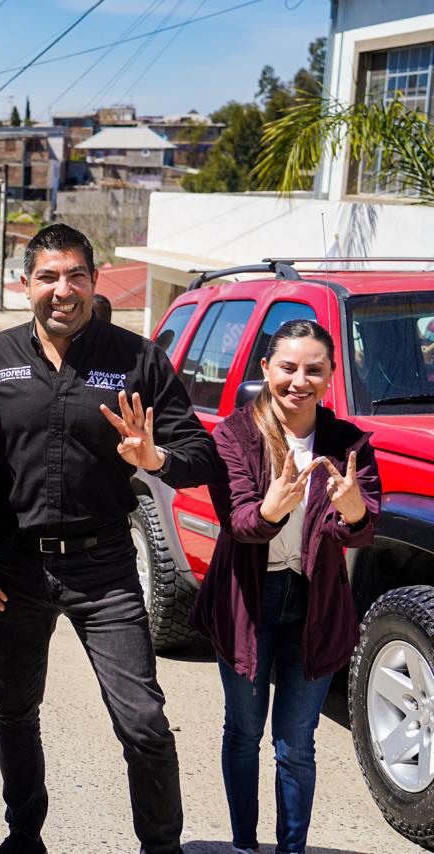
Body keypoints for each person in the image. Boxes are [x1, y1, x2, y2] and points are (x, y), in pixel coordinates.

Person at [0, 223, 216, 854]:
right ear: (25, 286)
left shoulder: (137, 360)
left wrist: (154, 458)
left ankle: (161, 847)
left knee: (145, 722)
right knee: (14, 714)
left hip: (104, 569)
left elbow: (200, 454)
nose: (63, 289)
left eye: (76, 275)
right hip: (16, 565)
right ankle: (24, 836)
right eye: (48, 276)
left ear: (94, 283)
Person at [190, 319, 379, 854]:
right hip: (248, 600)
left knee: (296, 744)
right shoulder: (234, 434)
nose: (300, 380)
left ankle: (290, 849)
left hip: (314, 602)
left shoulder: (347, 442)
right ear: (265, 369)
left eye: (314, 370)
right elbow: (241, 523)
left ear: (331, 375)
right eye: (289, 367)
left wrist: (354, 509)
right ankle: (245, 846)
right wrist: (270, 511)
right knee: (244, 735)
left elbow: (364, 529)